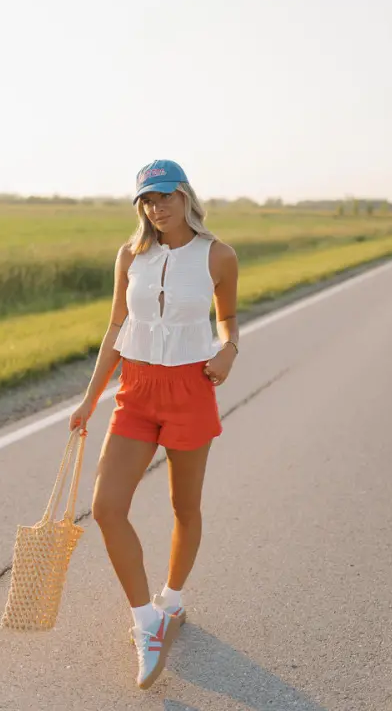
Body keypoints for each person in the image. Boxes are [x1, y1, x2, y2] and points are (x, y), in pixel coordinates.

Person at [69, 159, 239, 690]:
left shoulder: (218, 255)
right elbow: (116, 325)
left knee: (184, 506)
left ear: (185, 196)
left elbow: (227, 316)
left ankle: (173, 600)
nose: (156, 208)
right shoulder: (130, 256)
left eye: (165, 196)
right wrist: (90, 398)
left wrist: (230, 348)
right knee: (105, 507)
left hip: (190, 389)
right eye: (147, 200)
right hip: (137, 392)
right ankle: (146, 623)